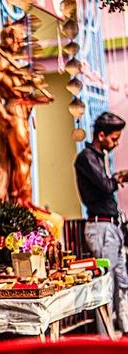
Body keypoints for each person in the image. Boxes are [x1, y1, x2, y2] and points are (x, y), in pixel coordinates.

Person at [0, 24, 52, 205]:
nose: (21, 42)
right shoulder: (3, 61)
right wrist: (3, 114)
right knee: (22, 156)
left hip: (22, 111)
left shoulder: (14, 63)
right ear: (10, 38)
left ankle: (24, 200)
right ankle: (22, 201)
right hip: (14, 111)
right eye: (19, 38)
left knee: (23, 158)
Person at [74, 111, 128, 334]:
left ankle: (124, 331)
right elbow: (105, 186)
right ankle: (106, 339)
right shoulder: (86, 157)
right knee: (105, 286)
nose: (116, 144)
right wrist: (117, 179)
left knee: (122, 282)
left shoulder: (100, 157)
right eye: (114, 139)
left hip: (112, 227)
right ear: (102, 135)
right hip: (101, 228)